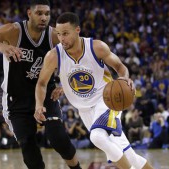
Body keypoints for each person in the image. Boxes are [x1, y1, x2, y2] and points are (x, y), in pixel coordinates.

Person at [0, 1, 81, 169]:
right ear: (29, 13)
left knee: (59, 139)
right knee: (29, 149)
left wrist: (66, 83)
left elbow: (77, 57)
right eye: (39, 13)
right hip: (16, 98)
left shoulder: (53, 36)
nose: (44, 18)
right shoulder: (12, 31)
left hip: (46, 94)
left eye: (47, 14)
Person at [35, 12, 153, 169]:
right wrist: (39, 104)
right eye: (58, 34)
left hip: (106, 101)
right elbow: (41, 83)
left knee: (97, 137)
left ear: (77, 30)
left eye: (65, 33)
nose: (62, 38)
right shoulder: (53, 56)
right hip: (84, 110)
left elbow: (119, 67)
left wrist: (124, 77)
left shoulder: (97, 47)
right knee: (129, 155)